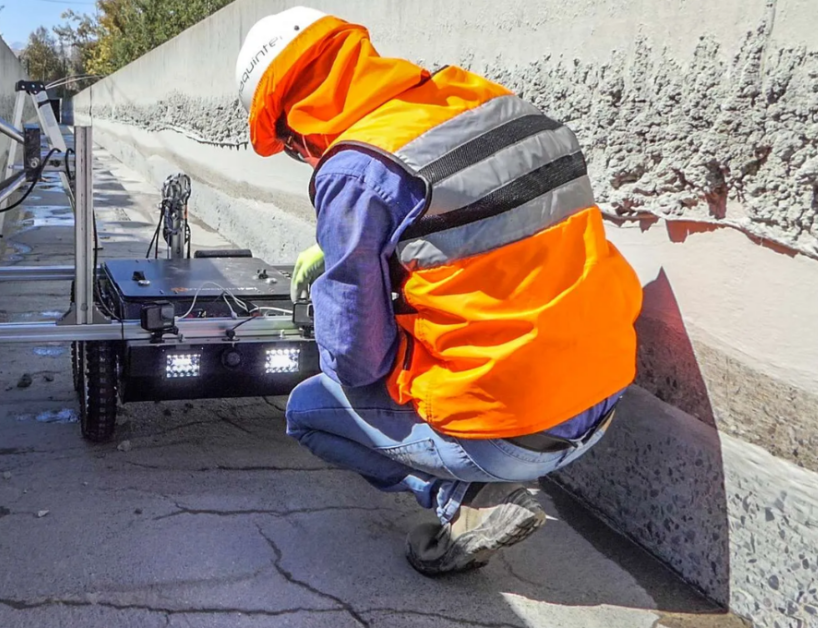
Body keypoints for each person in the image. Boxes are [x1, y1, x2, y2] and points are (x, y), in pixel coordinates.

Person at [235, 7, 643, 575]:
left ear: (299, 121)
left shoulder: (353, 170)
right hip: (604, 399)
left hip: (513, 436)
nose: (300, 156)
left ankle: (467, 500)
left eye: (288, 145)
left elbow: (356, 360)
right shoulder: (489, 101)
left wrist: (338, 301)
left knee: (310, 408)